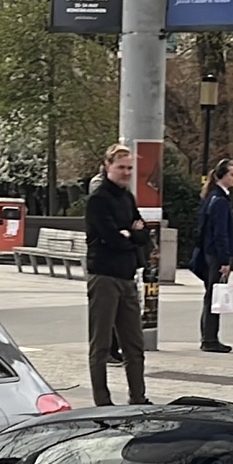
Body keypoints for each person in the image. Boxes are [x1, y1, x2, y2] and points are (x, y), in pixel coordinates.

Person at [84, 144, 148, 407]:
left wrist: (130, 234)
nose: (126, 172)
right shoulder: (99, 199)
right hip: (104, 275)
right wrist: (131, 234)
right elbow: (111, 238)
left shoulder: (127, 197)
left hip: (127, 276)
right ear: (108, 166)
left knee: (134, 344)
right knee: (100, 343)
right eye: (121, 167)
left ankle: (138, 396)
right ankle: (102, 400)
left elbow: (143, 234)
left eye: (130, 168)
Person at [190, 158, 233, 353]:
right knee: (214, 297)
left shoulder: (212, 197)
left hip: (209, 253)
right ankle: (209, 339)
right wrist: (225, 259)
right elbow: (220, 233)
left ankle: (209, 337)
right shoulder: (219, 200)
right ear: (222, 176)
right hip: (216, 256)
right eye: (232, 174)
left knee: (212, 295)